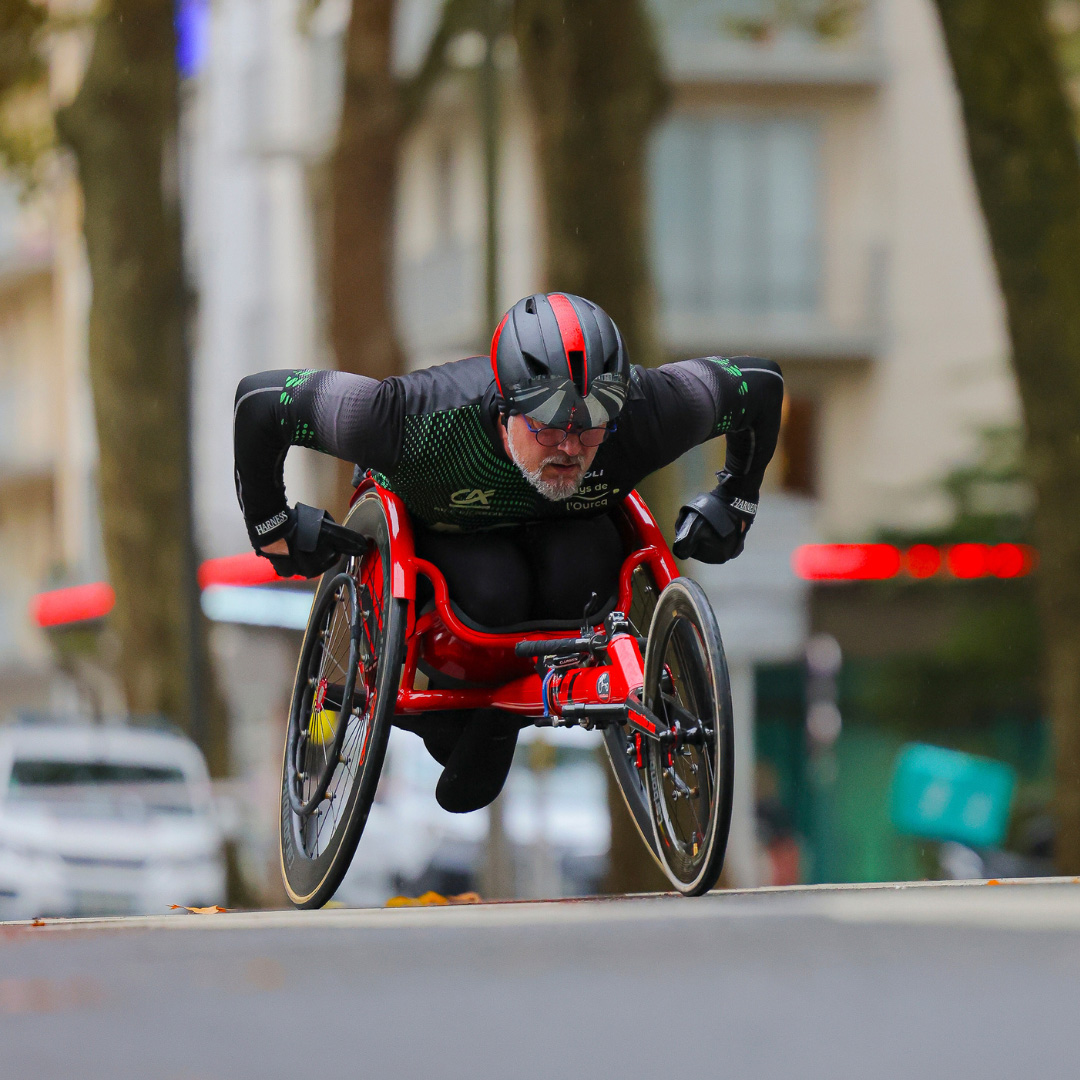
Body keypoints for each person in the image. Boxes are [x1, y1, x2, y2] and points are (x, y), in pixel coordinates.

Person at [233, 292, 784, 813]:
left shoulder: (648, 410)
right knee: (494, 591)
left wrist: (736, 497)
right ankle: (476, 711)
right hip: (446, 532)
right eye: (549, 429)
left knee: (589, 587)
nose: (570, 447)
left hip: (570, 530)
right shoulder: (408, 418)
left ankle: (502, 715)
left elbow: (758, 385)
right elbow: (261, 404)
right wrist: (272, 527)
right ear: (505, 408)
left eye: (591, 428)